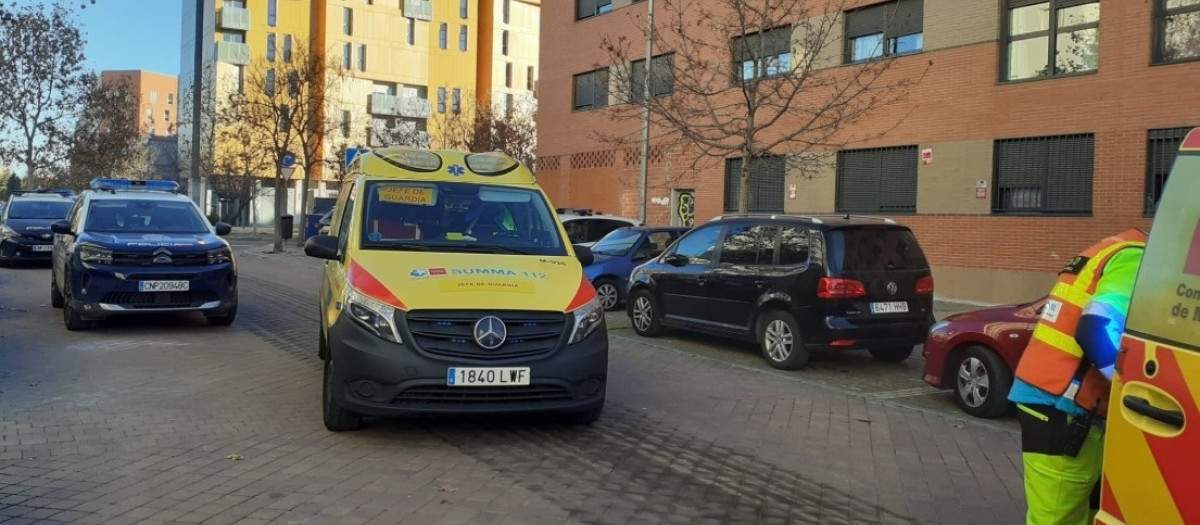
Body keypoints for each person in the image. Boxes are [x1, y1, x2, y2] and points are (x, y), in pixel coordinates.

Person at [1007, 228, 1147, 525]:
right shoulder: (1137, 257)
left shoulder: (1115, 246)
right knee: (1057, 519)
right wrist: (1137, 390)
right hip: (1065, 407)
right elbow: (1096, 327)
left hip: (1054, 397)